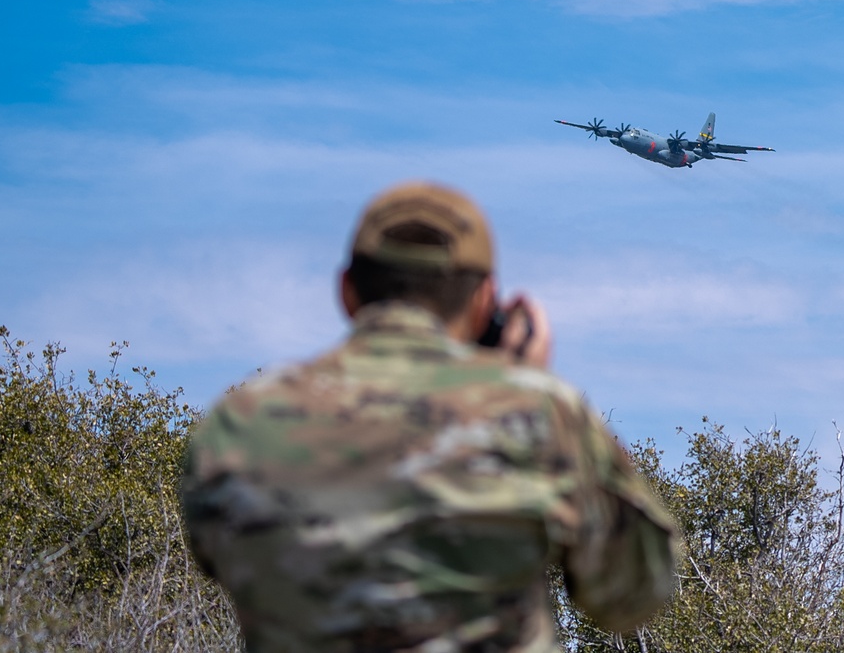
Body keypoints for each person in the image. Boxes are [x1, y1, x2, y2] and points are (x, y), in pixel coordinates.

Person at [180, 181, 679, 652]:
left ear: (346, 291)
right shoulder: (539, 414)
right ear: (486, 301)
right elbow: (634, 593)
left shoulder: (240, 423)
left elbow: (216, 556)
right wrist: (528, 394)